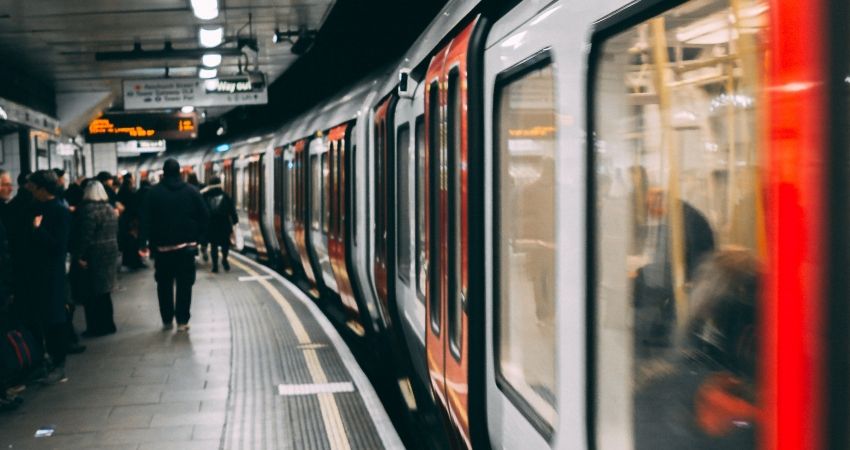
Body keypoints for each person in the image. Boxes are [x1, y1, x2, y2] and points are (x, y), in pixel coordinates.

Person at [141, 159, 208, 332]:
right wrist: (198, 239)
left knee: (164, 284)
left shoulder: (153, 193)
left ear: (163, 173)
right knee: (185, 285)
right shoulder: (192, 192)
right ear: (179, 172)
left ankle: (166, 318)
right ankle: (182, 321)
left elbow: (145, 220)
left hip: (162, 250)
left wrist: (144, 243)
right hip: (186, 249)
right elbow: (204, 216)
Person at [28, 170, 71, 384]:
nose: (31, 192)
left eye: (34, 188)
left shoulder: (60, 211)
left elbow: (59, 246)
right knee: (43, 318)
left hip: (52, 273)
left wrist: (38, 230)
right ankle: (48, 360)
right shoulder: (36, 207)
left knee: (55, 318)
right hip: (38, 272)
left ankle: (59, 363)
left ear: (43, 190)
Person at [70, 182, 119, 337]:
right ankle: (109, 324)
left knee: (91, 292)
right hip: (110, 252)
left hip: (94, 254)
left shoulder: (87, 211)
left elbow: (86, 235)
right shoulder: (110, 208)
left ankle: (95, 327)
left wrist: (78, 255)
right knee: (105, 291)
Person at [201, 176, 238, 273]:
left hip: (211, 225)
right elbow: (232, 211)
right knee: (225, 244)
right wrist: (235, 222)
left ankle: (215, 266)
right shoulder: (225, 196)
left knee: (214, 246)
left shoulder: (205, 196)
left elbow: (202, 211)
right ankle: (225, 259)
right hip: (224, 224)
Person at [117, 173, 144, 269]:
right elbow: (135, 206)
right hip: (132, 220)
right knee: (133, 240)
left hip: (125, 219)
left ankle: (129, 261)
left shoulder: (121, 191)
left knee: (128, 241)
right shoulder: (130, 192)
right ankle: (134, 261)